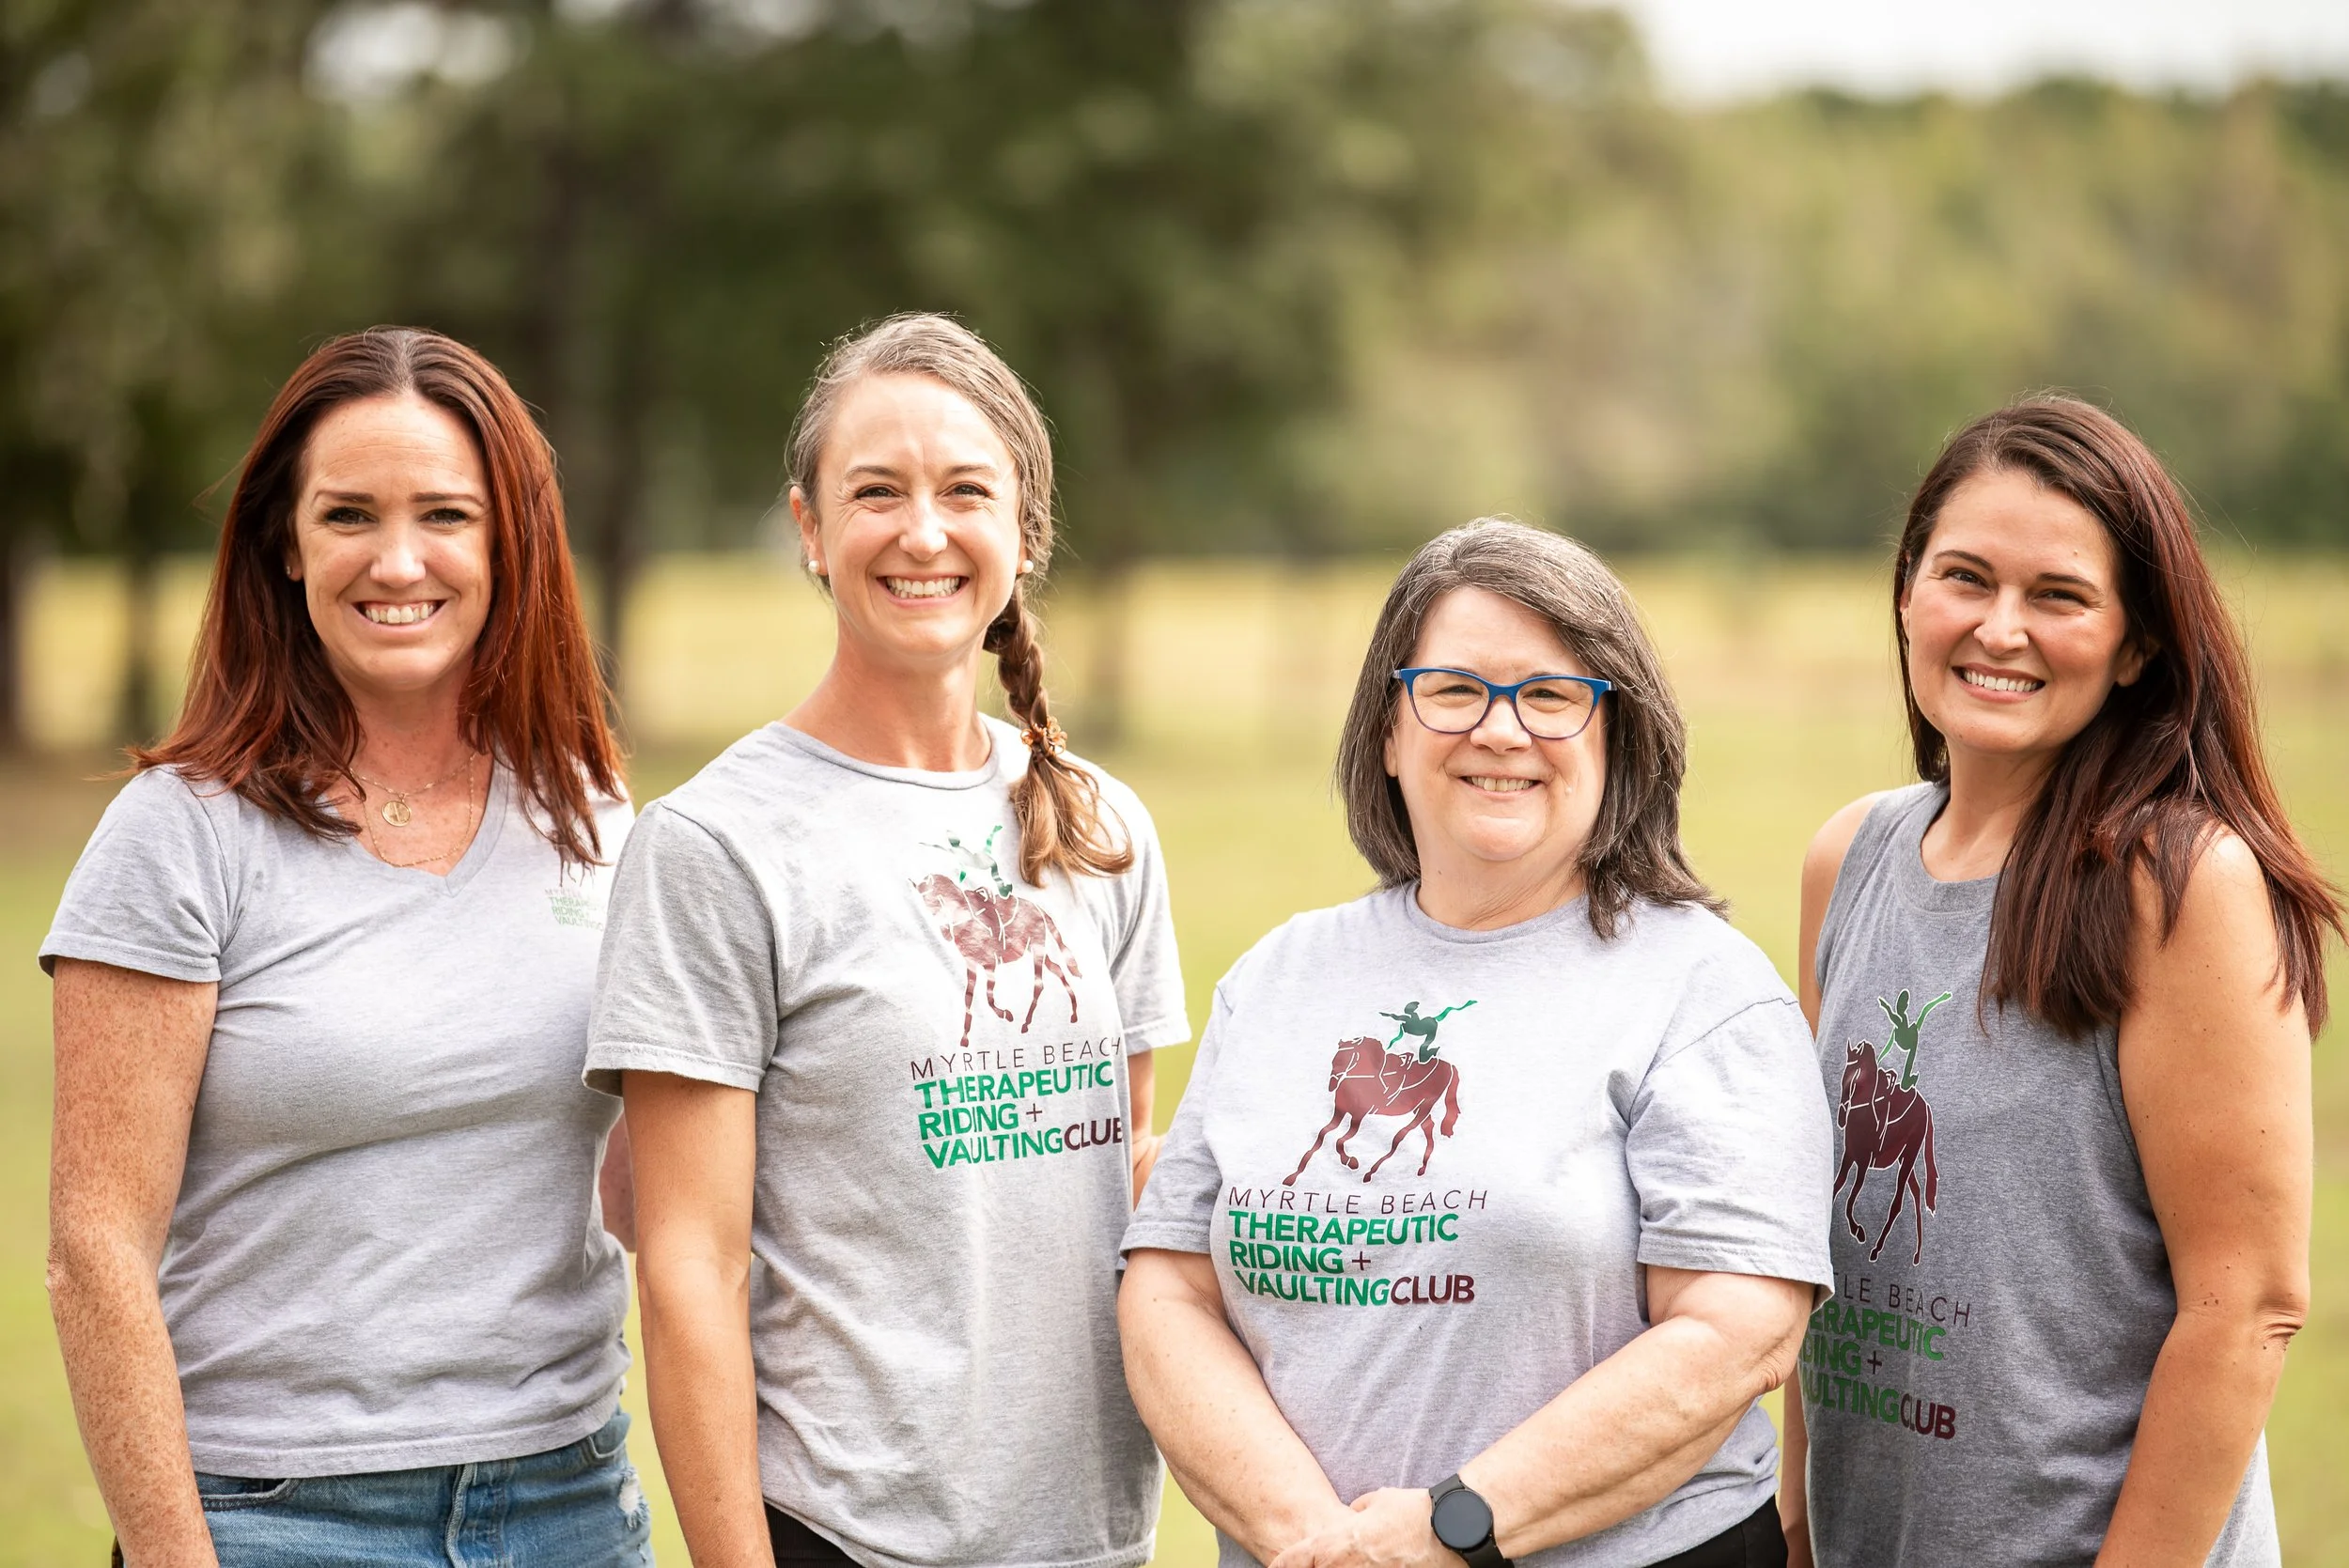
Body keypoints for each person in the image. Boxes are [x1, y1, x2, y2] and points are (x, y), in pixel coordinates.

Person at [587, 314, 1188, 1568]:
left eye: (966, 491)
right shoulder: (716, 846)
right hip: (850, 1539)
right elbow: (688, 1265)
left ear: (1023, 532)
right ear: (809, 528)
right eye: (877, 492)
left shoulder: (1099, 823)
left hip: (1094, 1539)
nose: (923, 532)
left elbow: (1124, 1165)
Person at [1122, 517, 1833, 1568]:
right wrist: (1311, 1540)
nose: (1501, 730)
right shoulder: (1278, 978)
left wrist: (1454, 1526)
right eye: (1453, 690)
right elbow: (1168, 1288)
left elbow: (1736, 1334)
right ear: (1388, 731)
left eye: (1548, 696)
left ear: (1613, 735)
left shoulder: (1702, 990)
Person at [43, 327, 646, 1566]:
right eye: (350, 515)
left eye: (445, 514)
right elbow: (93, 1253)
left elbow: (655, 1193)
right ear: (285, 542)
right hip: (271, 1515)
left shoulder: (591, 820)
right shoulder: (181, 836)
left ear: (509, 546)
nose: (400, 560)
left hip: (567, 1505)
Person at [1780, 396, 2340, 1568]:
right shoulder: (1850, 860)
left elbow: (2246, 1306)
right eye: (1964, 577)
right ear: (1905, 594)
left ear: (2137, 644)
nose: (1999, 628)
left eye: (2058, 596)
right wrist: (1795, 1521)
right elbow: (1809, 1252)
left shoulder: (2179, 884)